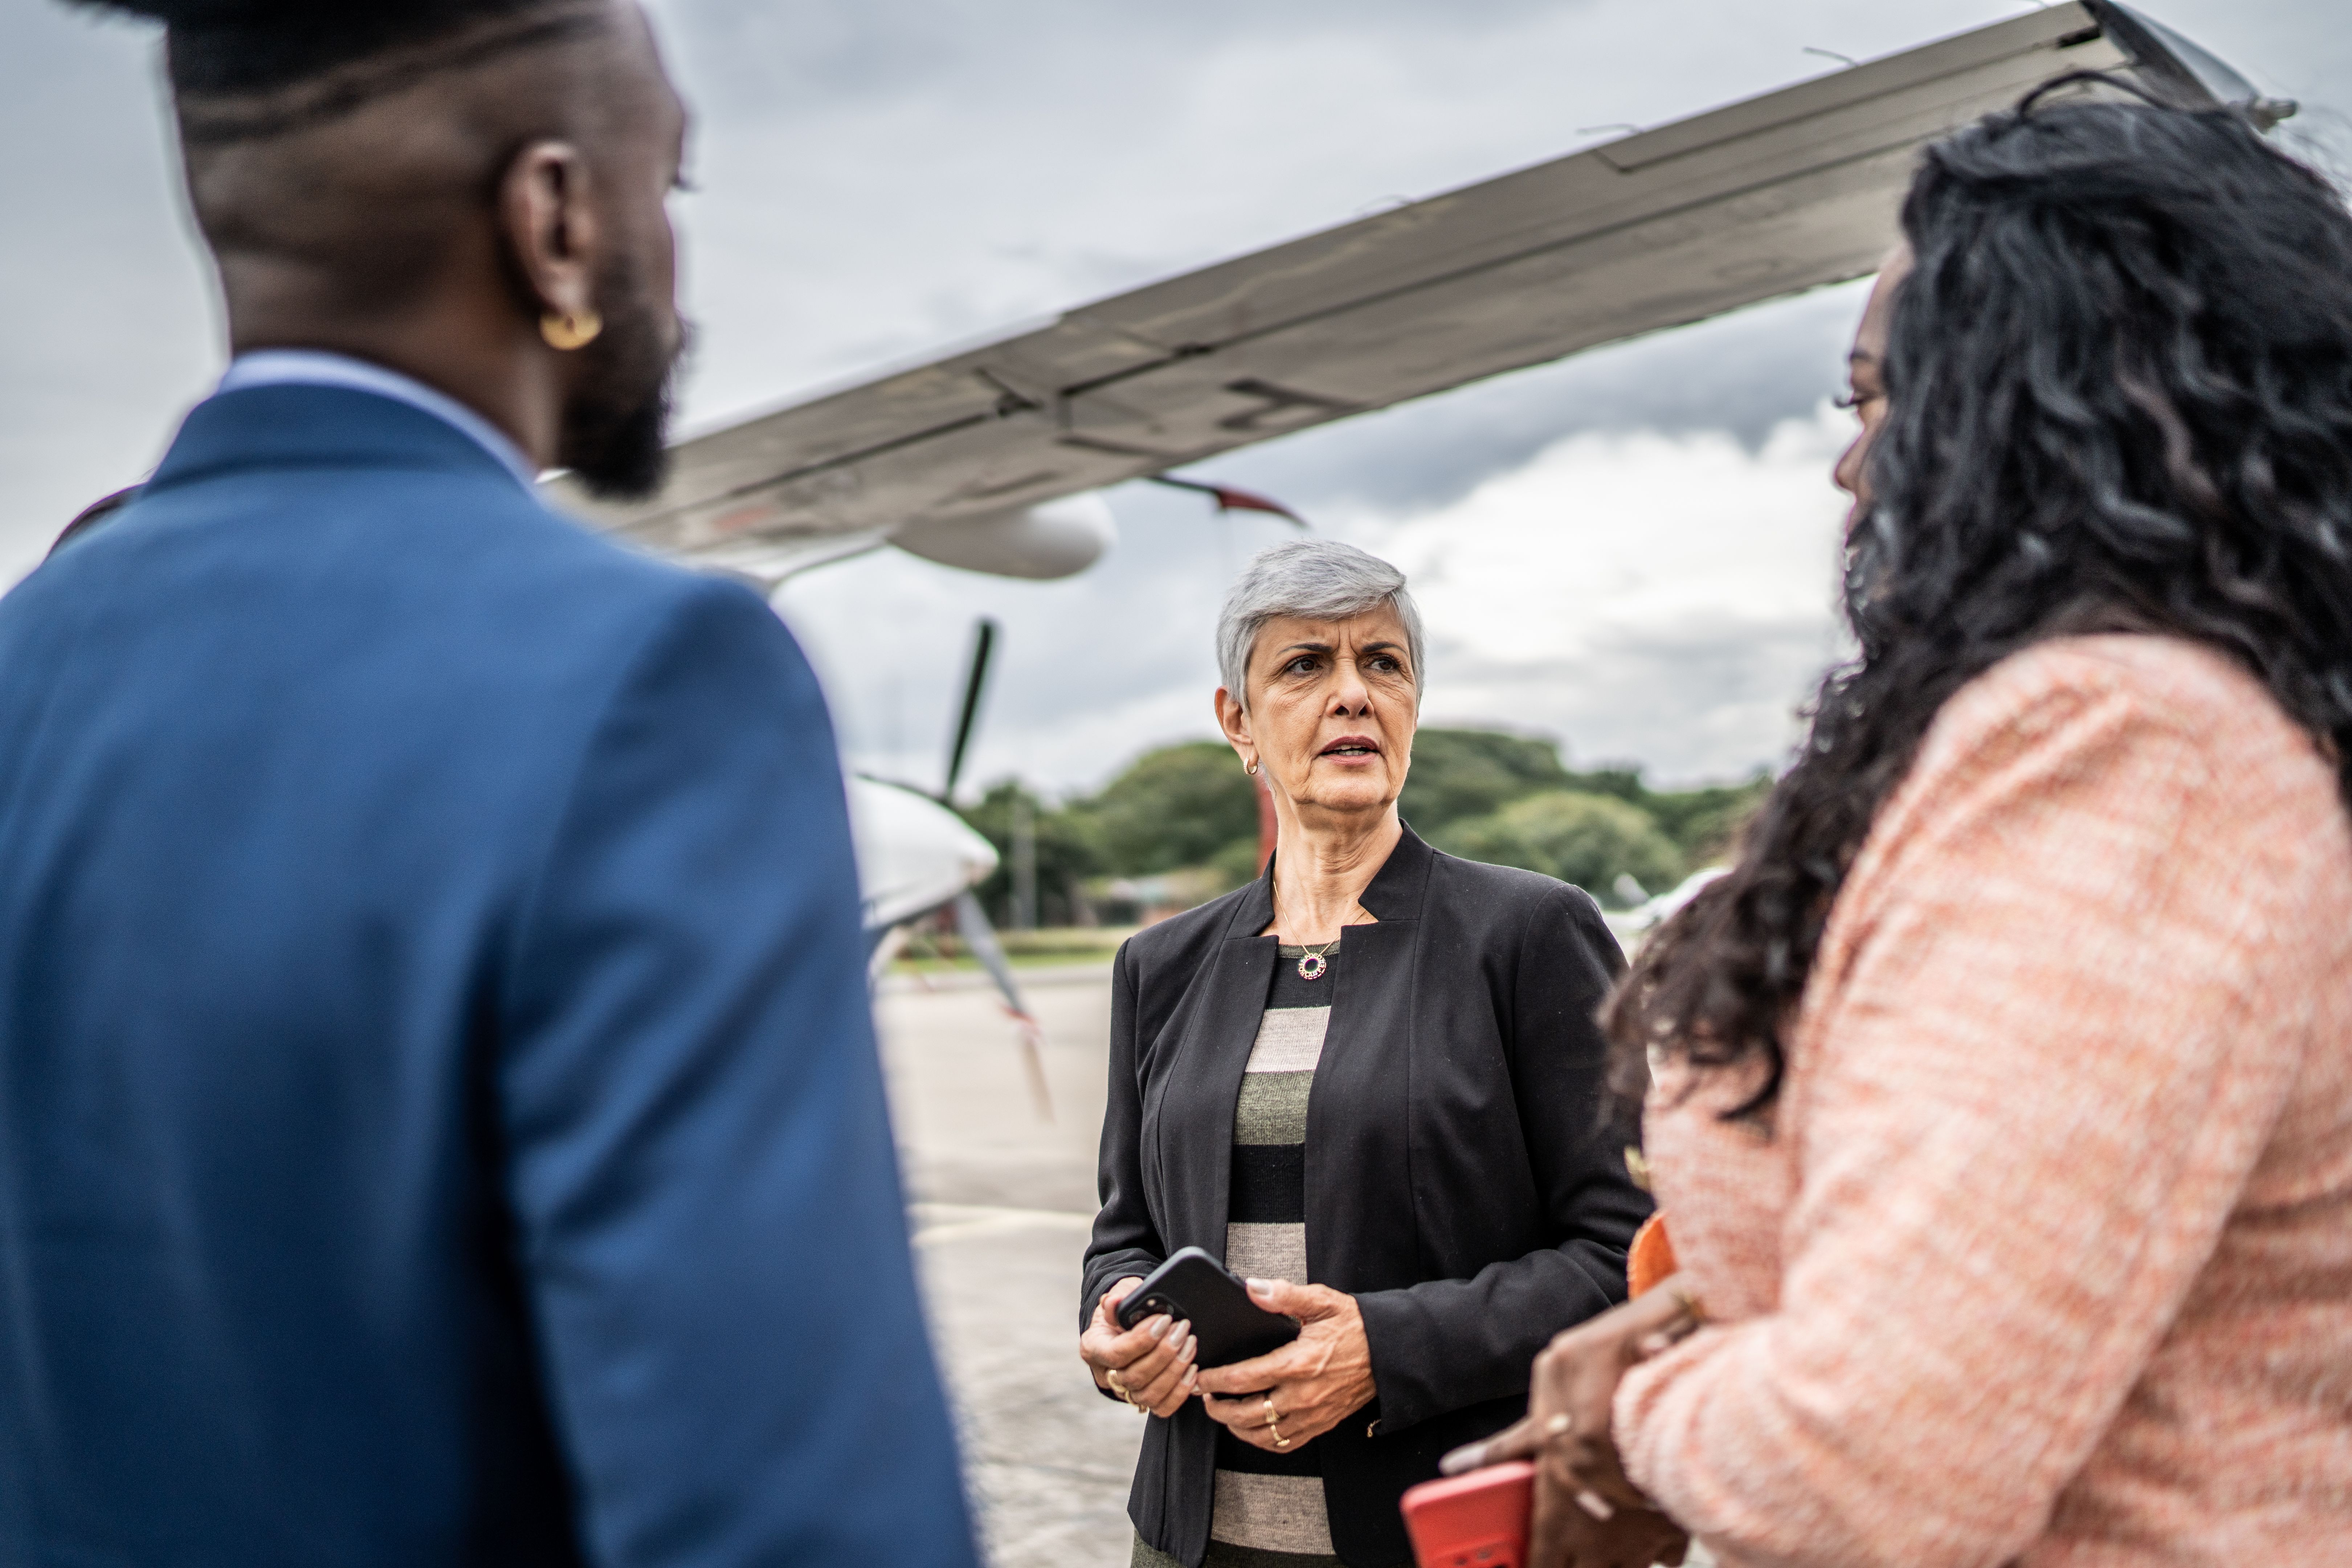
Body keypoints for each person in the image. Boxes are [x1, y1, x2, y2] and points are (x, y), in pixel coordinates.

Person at [0, 3, 976, 1564]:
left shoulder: (26, 664)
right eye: (672, 187)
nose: (672, 245)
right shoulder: (653, 679)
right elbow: (793, 1518)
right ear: (558, 223)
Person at [1454, 85, 2352, 1568]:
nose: (1849, 468)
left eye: (1878, 402)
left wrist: (1640, 1414)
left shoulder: (2132, 748)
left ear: (2026, 415)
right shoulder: (2205, 722)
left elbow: (1875, 1462)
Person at [1079, 538, 1654, 1568]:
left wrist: (1386, 1350)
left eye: (1382, 664)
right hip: (1186, 1543)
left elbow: (1628, 1255)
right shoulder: (1157, 964)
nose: (1352, 694)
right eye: (1305, 667)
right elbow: (1123, 1235)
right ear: (1238, 723)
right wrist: (1117, 1330)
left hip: (1440, 1534)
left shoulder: (1530, 935)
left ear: (1413, 706)